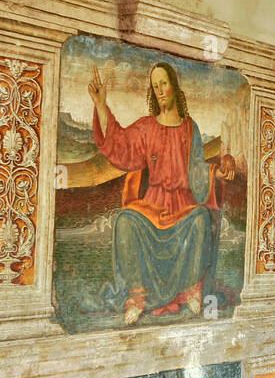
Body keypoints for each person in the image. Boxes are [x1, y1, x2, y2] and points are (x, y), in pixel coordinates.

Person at [88, 61, 229, 324]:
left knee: (200, 220)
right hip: (154, 206)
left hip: (183, 206)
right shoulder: (147, 127)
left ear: (174, 86)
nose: (160, 90)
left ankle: (190, 290)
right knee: (126, 221)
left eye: (163, 83)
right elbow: (119, 144)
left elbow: (198, 168)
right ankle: (138, 297)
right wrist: (100, 105)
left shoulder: (190, 128)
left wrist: (216, 174)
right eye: (155, 86)